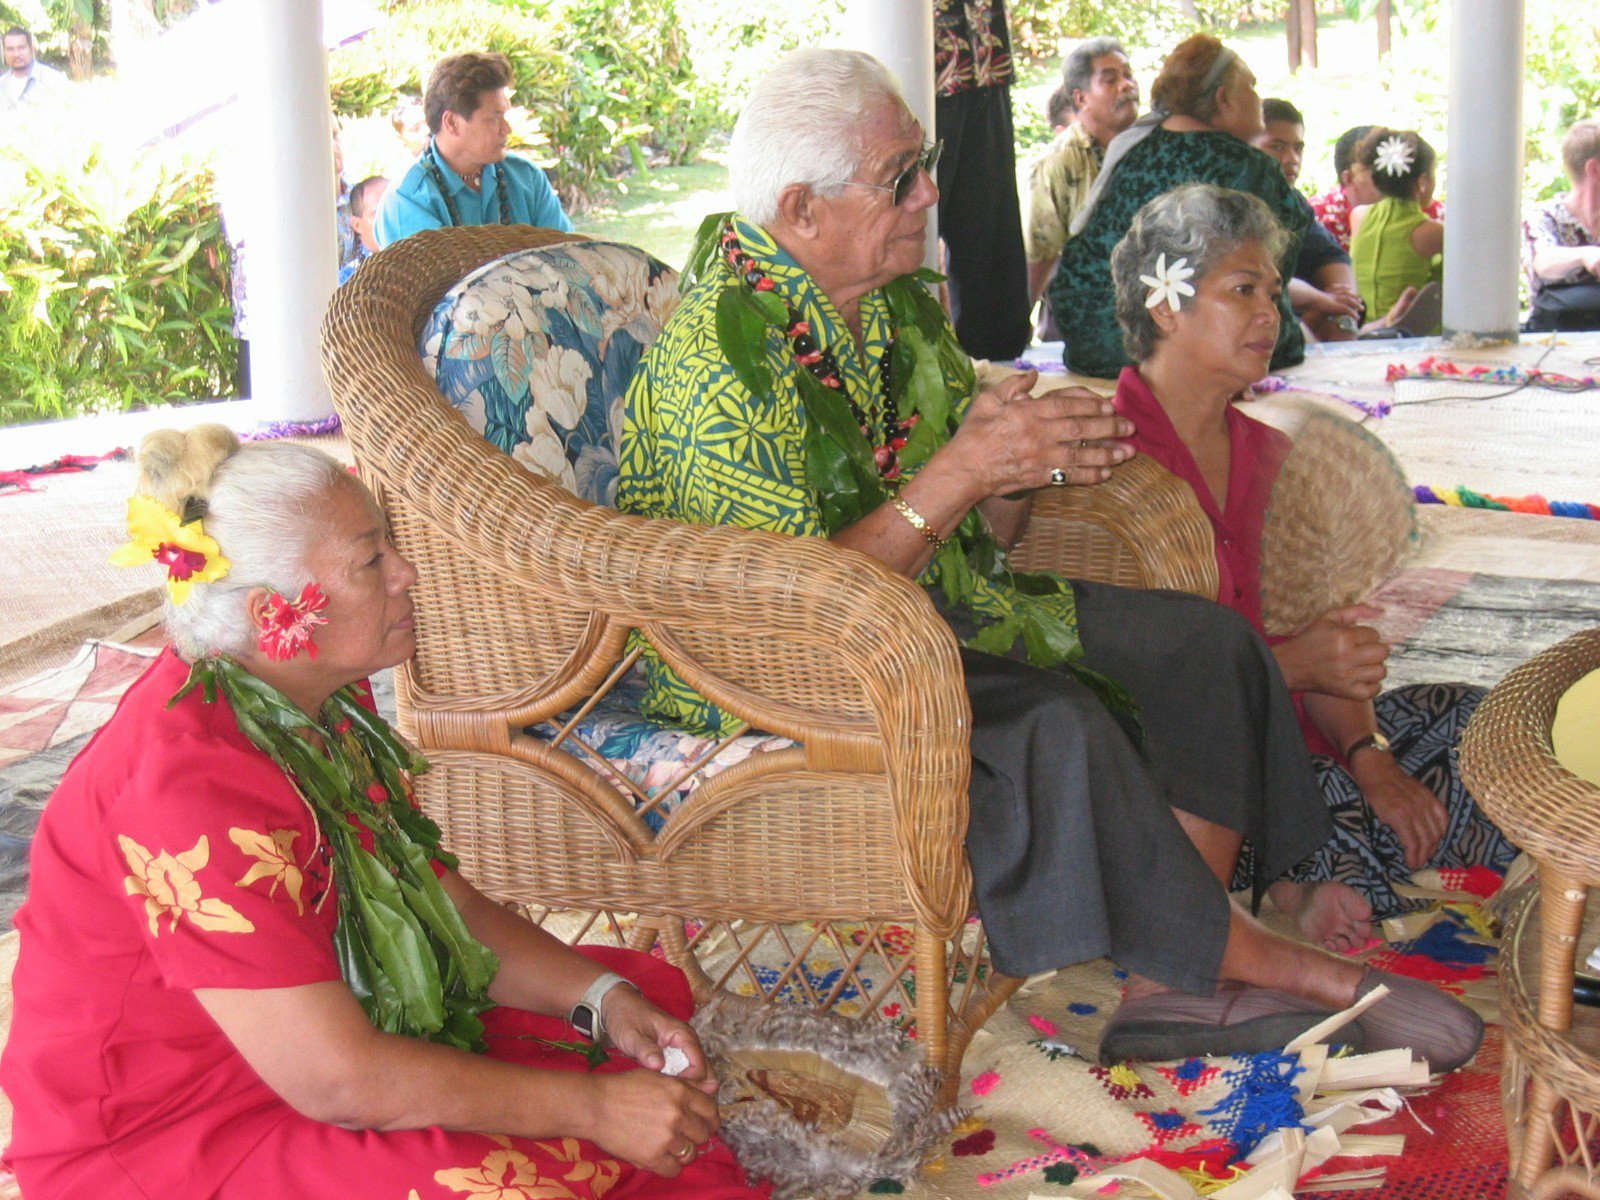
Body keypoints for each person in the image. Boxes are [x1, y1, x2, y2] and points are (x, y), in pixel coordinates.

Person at [619, 47, 1481, 1071]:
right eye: (902, 175)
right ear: (801, 210)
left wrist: (1013, 472)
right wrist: (958, 474)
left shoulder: (894, 310)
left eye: (924, 160)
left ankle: (1173, 970)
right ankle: (1235, 957)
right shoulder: (725, 359)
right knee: (1054, 720)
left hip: (931, 608)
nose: (932, 190)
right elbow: (793, 617)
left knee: (1203, 647)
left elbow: (987, 546)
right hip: (777, 667)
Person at [0, 427, 768, 1200]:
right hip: (179, 1135)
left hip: (330, 1033)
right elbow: (337, 1080)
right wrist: (593, 1110)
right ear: (277, 614)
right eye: (372, 561)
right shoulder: (185, 790)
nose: (406, 574)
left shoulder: (317, 696)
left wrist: (598, 999)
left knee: (635, 1004)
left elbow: (440, 902)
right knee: (525, 1177)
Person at [1107, 184, 1517, 950]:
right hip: (1194, 774)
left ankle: (1319, 863)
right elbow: (1118, 685)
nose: (1270, 312)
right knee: (1288, 802)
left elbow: (1323, 642)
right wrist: (1290, 668)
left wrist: (1372, 756)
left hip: (1307, 753)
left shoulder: (1275, 455)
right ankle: (1296, 877)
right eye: (1243, 291)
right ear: (1167, 306)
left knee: (1492, 730)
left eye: (1271, 290)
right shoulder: (1099, 458)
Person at [1049, 34, 1308, 378]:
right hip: (1169, 348)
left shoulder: (1132, 152)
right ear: (1224, 98)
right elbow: (1278, 265)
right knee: (1279, 328)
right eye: (1252, 87)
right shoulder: (1247, 165)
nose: (1259, 100)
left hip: (1095, 344)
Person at [1252, 100, 1414, 342]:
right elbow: (1256, 278)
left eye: (1298, 148)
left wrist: (1340, 304)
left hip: (1314, 311)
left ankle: (1372, 330)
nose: (1291, 158)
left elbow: (1330, 257)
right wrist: (1320, 301)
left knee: (1341, 321)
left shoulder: (1293, 204)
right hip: (1262, 316)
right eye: (1277, 147)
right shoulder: (1233, 199)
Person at [375, 51, 572, 249]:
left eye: (504, 116)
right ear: (451, 123)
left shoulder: (526, 178)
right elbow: (436, 278)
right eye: (494, 118)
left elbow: (569, 258)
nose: (507, 129)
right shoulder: (407, 199)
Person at [933, 0, 1031, 361]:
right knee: (906, 229)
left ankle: (996, 361)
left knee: (990, 231)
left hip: (985, 62)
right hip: (917, 65)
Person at [1024, 37, 1139, 338]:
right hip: (1085, 319)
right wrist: (1016, 329)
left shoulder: (1153, 145)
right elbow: (1041, 252)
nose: (1127, 85)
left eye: (1128, 75)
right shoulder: (1059, 163)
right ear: (1081, 99)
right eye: (1110, 80)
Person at [1349, 128, 1443, 334]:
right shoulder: (1434, 233)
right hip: (1409, 339)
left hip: (1363, 332)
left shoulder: (1358, 216)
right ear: (1423, 182)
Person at [1311, 124, 1442, 252]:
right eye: (1373, 168)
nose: (1387, 174)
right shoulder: (1315, 215)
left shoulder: (1439, 216)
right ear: (1348, 178)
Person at [1522, 119, 1600, 332]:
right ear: (1594, 169)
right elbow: (1543, 263)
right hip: (1557, 344)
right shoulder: (1544, 217)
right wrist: (1586, 255)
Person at [340, 175, 389, 285]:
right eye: (379, 213)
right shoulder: (348, 284)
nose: (391, 216)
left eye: (396, 206)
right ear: (357, 225)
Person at [0, 26, 63, 113]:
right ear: (4, 52)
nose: (16, 54)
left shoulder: (53, 79)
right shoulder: (2, 84)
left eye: (21, 48)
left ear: (31, 49)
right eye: (10, 49)